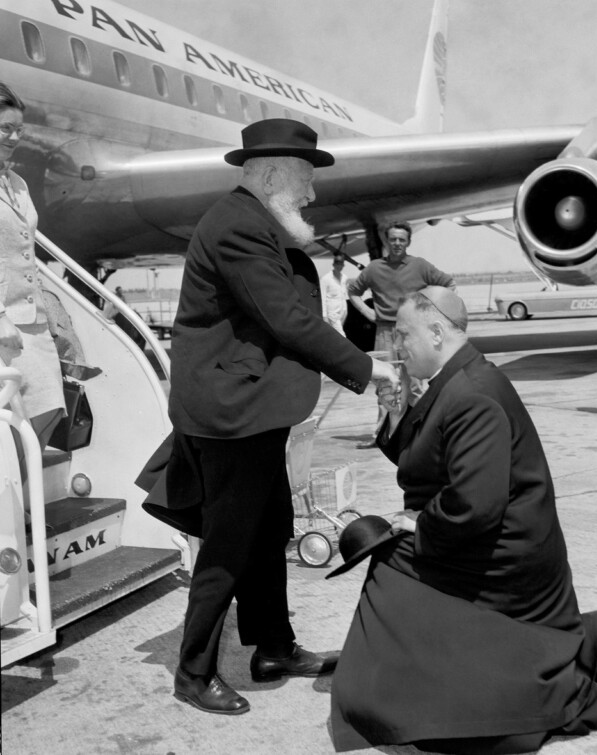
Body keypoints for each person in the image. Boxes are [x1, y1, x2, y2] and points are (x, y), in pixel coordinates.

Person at [329, 287, 597, 754]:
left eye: (403, 335)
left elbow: (474, 506)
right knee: (395, 552)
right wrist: (393, 411)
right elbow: (422, 460)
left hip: (509, 551)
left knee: (391, 568)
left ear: (437, 332)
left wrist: (419, 525)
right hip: (488, 533)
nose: (397, 346)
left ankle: (398, 695)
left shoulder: (472, 393)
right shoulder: (454, 379)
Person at [161, 119, 399, 716]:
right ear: (270, 175)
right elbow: (287, 319)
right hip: (230, 413)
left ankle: (274, 648)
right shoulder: (239, 226)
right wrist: (370, 369)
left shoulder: (253, 221)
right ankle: (193, 673)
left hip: (253, 406)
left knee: (268, 531)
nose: (313, 195)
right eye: (305, 180)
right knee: (229, 542)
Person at [347, 221, 455, 447]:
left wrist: (432, 311)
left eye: (402, 240)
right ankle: (382, 436)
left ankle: (422, 435)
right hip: (384, 332)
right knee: (384, 384)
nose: (397, 243)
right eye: (393, 239)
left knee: (414, 384)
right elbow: (353, 291)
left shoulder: (420, 266)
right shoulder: (374, 268)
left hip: (412, 332)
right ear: (387, 241)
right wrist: (367, 311)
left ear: (408, 242)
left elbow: (449, 284)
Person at [0, 82, 65, 449]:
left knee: (48, 412)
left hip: (32, 321)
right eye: (5, 128)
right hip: (4, 324)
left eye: (19, 129)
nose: (14, 137)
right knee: (12, 427)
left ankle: (24, 504)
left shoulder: (17, 183)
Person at [320, 252, 349, 335]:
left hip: (343, 313)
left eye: (341, 264)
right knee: (342, 335)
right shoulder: (325, 279)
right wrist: (324, 316)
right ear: (333, 264)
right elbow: (322, 297)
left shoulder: (344, 278)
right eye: (337, 263)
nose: (339, 266)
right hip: (332, 313)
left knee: (335, 335)